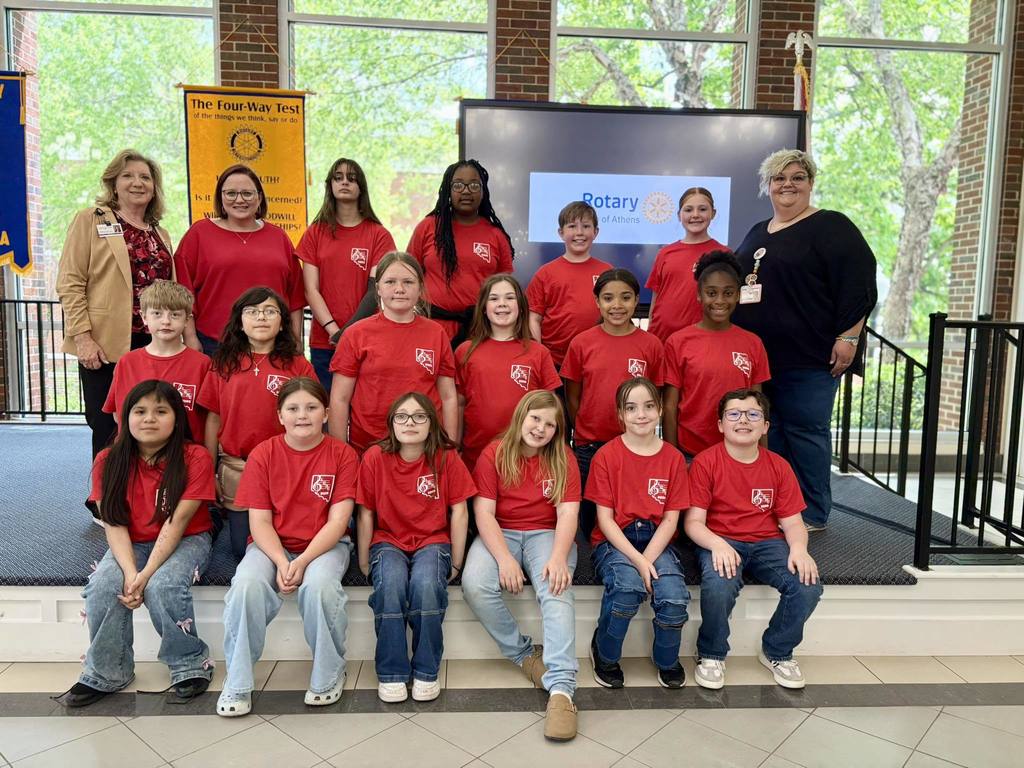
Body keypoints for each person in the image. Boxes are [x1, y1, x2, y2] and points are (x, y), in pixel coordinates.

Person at [732, 149, 877, 531]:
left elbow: (860, 283)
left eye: (797, 177)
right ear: (768, 186)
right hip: (762, 358)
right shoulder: (757, 231)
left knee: (806, 431)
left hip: (810, 356)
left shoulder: (832, 226)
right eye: (779, 178)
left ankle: (813, 512)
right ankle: (781, 507)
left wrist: (849, 337)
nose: (788, 185)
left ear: (811, 183)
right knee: (772, 433)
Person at [62, 381, 215, 707]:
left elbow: (177, 524)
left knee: (163, 585)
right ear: (124, 417)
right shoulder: (108, 460)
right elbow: (113, 523)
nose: (149, 419)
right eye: (140, 411)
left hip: (187, 539)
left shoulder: (195, 457)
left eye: (161, 411)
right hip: (129, 542)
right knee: (104, 584)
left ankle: (189, 663)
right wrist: (132, 571)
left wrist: (145, 577)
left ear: (177, 418)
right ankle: (107, 671)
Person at [217, 377, 359, 716]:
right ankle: (237, 682)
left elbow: (338, 522)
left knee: (320, 587)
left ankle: (328, 673)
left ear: (325, 413)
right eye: (293, 409)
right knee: (246, 586)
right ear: (280, 416)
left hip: (325, 545)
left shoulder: (343, 455)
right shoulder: (263, 454)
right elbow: (260, 522)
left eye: (311, 408)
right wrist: (282, 562)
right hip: (271, 546)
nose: (302, 415)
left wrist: (304, 560)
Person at [461, 390, 581, 741]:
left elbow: (568, 512)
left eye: (549, 423)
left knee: (556, 588)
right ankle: (525, 656)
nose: (540, 428)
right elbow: (483, 512)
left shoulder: (563, 458)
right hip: (502, 531)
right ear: (521, 416)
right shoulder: (494, 453)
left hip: (547, 532)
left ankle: (561, 689)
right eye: (535, 418)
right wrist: (504, 558)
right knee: (475, 584)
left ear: (558, 430)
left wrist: (559, 557)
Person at [683, 388, 822, 690]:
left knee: (807, 584)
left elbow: (793, 522)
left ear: (765, 426)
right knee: (719, 585)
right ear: (720, 424)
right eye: (733, 414)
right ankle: (711, 652)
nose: (743, 420)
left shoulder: (778, 466)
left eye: (753, 414)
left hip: (767, 542)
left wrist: (799, 549)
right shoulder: (706, 463)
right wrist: (718, 545)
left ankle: (778, 650)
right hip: (719, 539)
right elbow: (693, 522)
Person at [56, 149, 174, 465]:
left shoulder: (160, 233)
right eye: (128, 175)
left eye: (145, 177)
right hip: (105, 342)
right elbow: (70, 282)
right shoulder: (90, 220)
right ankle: (104, 498)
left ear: (154, 186)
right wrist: (82, 337)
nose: (137, 183)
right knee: (107, 422)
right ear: (114, 182)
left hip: (152, 344)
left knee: (149, 421)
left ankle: (141, 494)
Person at [356, 393, 473, 703]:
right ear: (391, 423)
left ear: (432, 423)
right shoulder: (374, 457)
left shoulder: (447, 458)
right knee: (391, 584)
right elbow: (365, 512)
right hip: (388, 540)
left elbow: (460, 512)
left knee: (424, 585)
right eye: (402, 416)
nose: (410, 422)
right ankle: (392, 672)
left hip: (433, 541)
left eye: (420, 416)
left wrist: (457, 563)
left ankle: (425, 669)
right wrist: (365, 560)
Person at [586, 378, 690, 689]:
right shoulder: (606, 456)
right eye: (631, 408)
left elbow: (671, 520)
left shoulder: (673, 458)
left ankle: (667, 661)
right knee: (628, 589)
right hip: (615, 540)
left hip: (658, 539)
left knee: (673, 599)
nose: (640, 414)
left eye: (647, 406)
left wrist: (649, 558)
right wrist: (639, 562)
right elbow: (604, 520)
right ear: (620, 414)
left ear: (659, 410)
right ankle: (604, 654)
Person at [197, 287, 315, 560]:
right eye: (252, 312)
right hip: (238, 466)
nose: (261, 317)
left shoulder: (298, 365)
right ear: (239, 321)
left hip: (287, 466)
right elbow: (213, 418)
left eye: (270, 311)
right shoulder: (223, 364)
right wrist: (209, 469)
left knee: (290, 539)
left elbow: (313, 418)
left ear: (283, 321)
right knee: (243, 548)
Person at [561, 269, 664, 536]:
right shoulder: (582, 343)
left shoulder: (651, 345)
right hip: (590, 447)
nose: (617, 305)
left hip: (636, 446)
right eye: (608, 298)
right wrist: (584, 428)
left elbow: (655, 396)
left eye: (625, 297)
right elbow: (573, 395)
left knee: (626, 515)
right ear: (597, 302)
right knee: (588, 519)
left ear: (636, 300)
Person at [329, 252, 457, 452]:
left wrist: (450, 448)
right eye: (390, 282)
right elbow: (339, 398)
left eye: (408, 282)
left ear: (420, 288)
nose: (400, 289)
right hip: (370, 445)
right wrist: (340, 452)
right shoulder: (355, 334)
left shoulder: (436, 333)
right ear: (378, 288)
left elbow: (448, 396)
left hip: (425, 447)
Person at [174, 164, 305, 356]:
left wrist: (296, 338)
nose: (239, 199)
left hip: (273, 344)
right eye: (231, 193)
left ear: (259, 198)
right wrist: (190, 338)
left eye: (247, 193)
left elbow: (295, 296)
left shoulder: (279, 237)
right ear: (220, 197)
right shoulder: (199, 234)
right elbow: (182, 292)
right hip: (215, 343)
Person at [299, 158, 396, 390]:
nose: (345, 182)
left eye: (352, 178)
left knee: (365, 409)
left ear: (361, 187)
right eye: (338, 177)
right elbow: (310, 289)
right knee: (330, 410)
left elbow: (376, 290)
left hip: (367, 337)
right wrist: (334, 330)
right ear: (330, 185)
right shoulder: (315, 232)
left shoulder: (378, 234)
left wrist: (348, 333)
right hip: (325, 341)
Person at [663, 251, 770, 459]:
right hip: (691, 453)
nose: (720, 300)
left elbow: (759, 405)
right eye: (711, 293)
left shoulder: (753, 343)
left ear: (738, 295)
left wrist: (762, 456)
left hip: (741, 453)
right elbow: (669, 406)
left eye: (728, 293)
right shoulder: (678, 342)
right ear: (699, 295)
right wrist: (673, 458)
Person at [456, 274, 560, 472]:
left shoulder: (538, 352)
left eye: (510, 298)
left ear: (521, 307)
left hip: (525, 457)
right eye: (494, 298)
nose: (502, 304)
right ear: (484, 309)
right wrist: (455, 446)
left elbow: (549, 408)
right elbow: (459, 404)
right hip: (475, 456)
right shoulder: (465, 351)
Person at [407, 159, 514, 344]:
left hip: (479, 330)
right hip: (429, 327)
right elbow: (408, 275)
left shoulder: (496, 235)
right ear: (448, 190)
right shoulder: (428, 227)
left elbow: (503, 289)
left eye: (474, 185)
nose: (466, 191)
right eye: (458, 185)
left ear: (483, 191)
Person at [103, 281, 211, 445]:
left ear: (187, 320)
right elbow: (118, 414)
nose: (166, 321)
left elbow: (210, 418)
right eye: (157, 314)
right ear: (144, 317)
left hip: (184, 455)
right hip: (135, 455)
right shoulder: (127, 362)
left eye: (175, 314)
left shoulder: (202, 364)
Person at [526, 201, 612, 368]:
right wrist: (540, 354)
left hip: (596, 359)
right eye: (572, 226)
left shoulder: (607, 272)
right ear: (561, 232)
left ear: (596, 232)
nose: (579, 233)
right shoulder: (545, 273)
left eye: (586, 226)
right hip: (554, 361)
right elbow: (533, 318)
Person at [645, 187, 727, 343]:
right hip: (662, 338)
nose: (695, 215)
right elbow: (655, 300)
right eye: (688, 210)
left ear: (713, 213)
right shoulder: (665, 253)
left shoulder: (723, 254)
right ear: (679, 215)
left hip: (702, 341)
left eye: (702, 209)